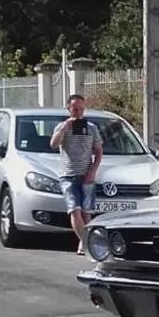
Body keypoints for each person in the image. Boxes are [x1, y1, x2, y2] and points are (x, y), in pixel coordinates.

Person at [50, 94, 103, 254]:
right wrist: (65, 127)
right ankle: (86, 242)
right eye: (75, 109)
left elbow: (99, 151)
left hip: (87, 174)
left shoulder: (92, 128)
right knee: (74, 209)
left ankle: (83, 243)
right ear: (69, 109)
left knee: (87, 212)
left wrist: (93, 171)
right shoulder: (62, 127)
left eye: (81, 109)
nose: (78, 113)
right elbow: (53, 144)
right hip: (68, 175)